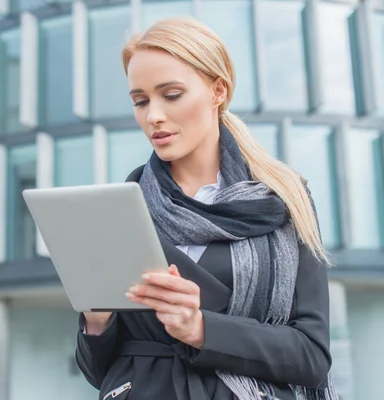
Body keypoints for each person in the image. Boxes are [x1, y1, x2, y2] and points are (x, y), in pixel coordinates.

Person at [75, 17, 338, 400]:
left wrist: (201, 329)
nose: (153, 116)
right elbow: (101, 371)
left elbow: (311, 357)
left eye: (172, 94)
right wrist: (96, 320)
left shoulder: (282, 198)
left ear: (217, 91)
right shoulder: (122, 208)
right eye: (140, 101)